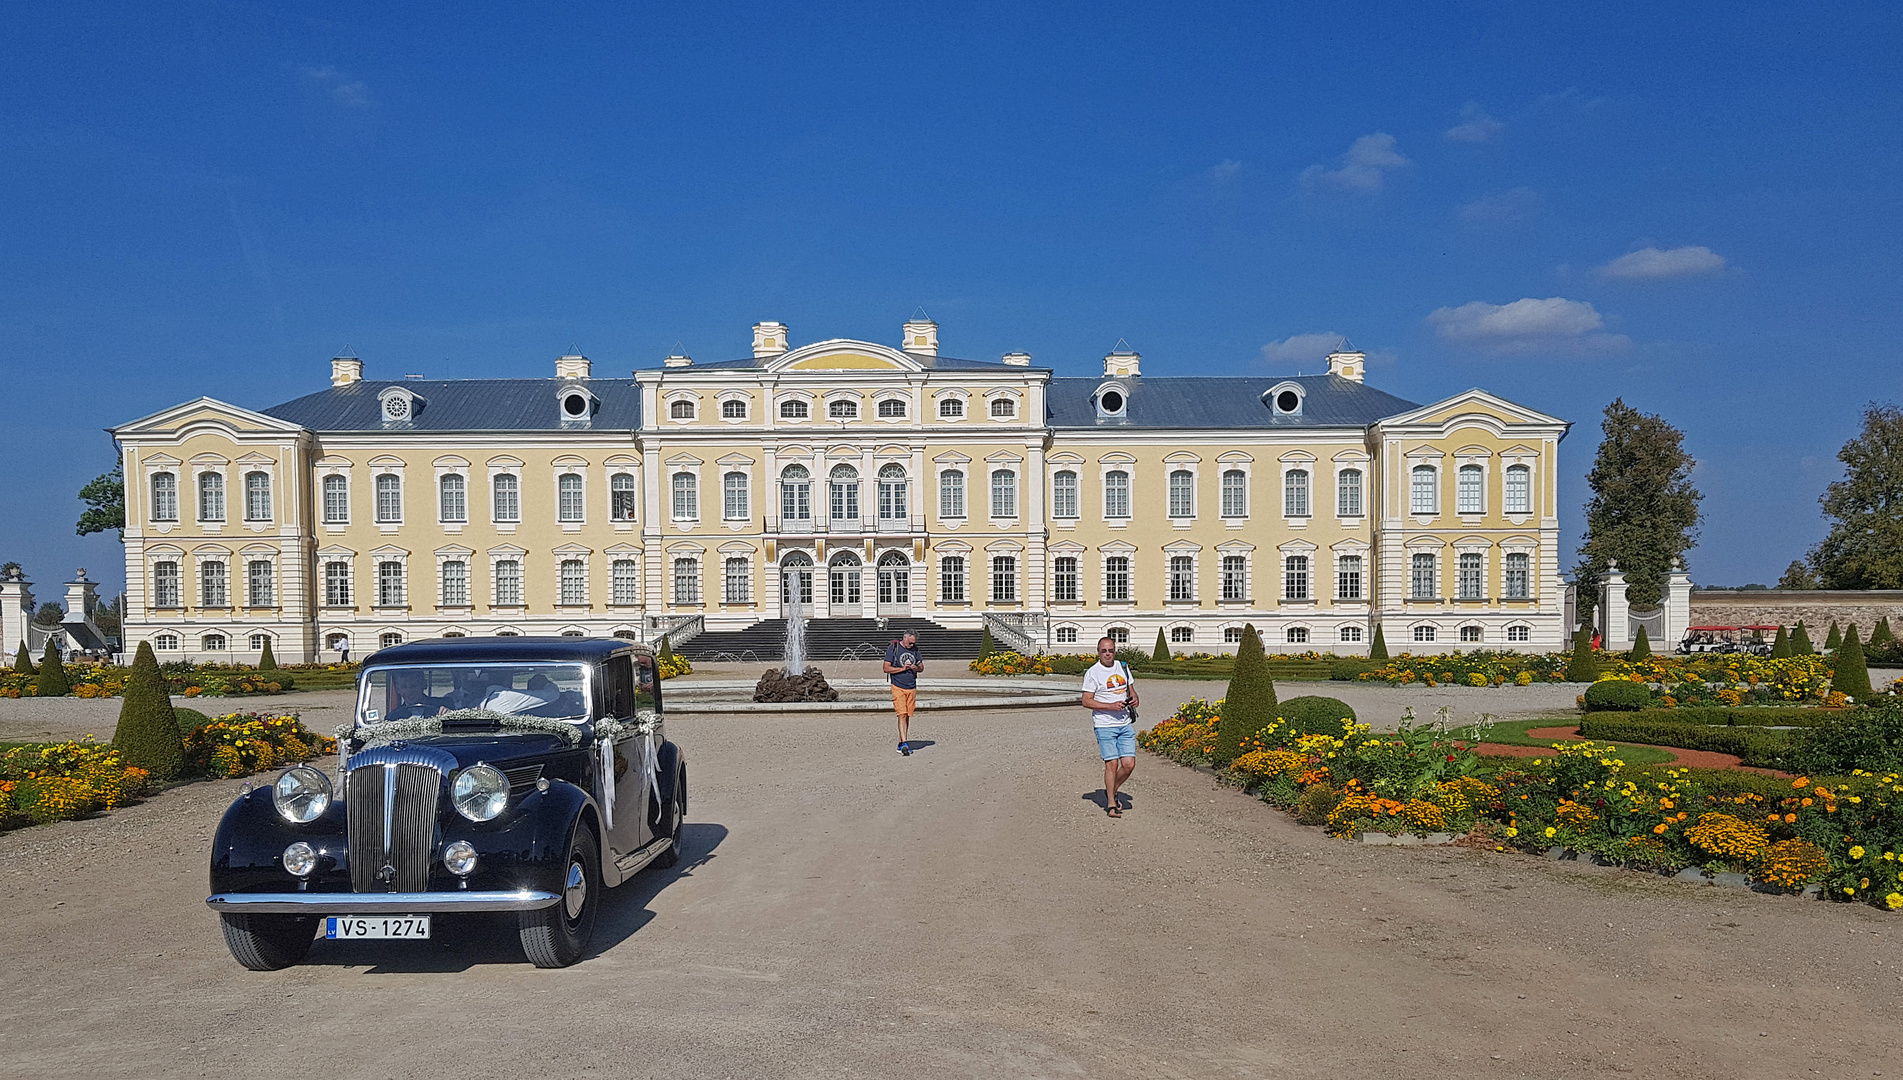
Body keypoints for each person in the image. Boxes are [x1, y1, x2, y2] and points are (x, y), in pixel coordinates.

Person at [1080, 636, 1138, 817]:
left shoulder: (1122, 666)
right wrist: (1110, 706)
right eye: (1104, 651)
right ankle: (1111, 805)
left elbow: (1131, 688)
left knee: (1129, 765)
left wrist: (1134, 698)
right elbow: (1086, 701)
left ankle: (1111, 790)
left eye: (1110, 650)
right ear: (1098, 652)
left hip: (1124, 722)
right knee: (1112, 764)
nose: (1107, 654)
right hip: (1105, 724)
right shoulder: (1093, 673)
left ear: (1114, 651)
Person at [883, 629, 923, 755]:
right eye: (910, 643)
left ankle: (901, 742)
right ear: (905, 638)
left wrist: (916, 667)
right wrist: (901, 669)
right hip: (898, 685)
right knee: (901, 713)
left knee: (907, 715)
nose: (912, 645)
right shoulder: (893, 648)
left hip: (911, 686)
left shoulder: (915, 649)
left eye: (913, 643)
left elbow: (921, 667)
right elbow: (886, 668)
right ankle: (905, 743)